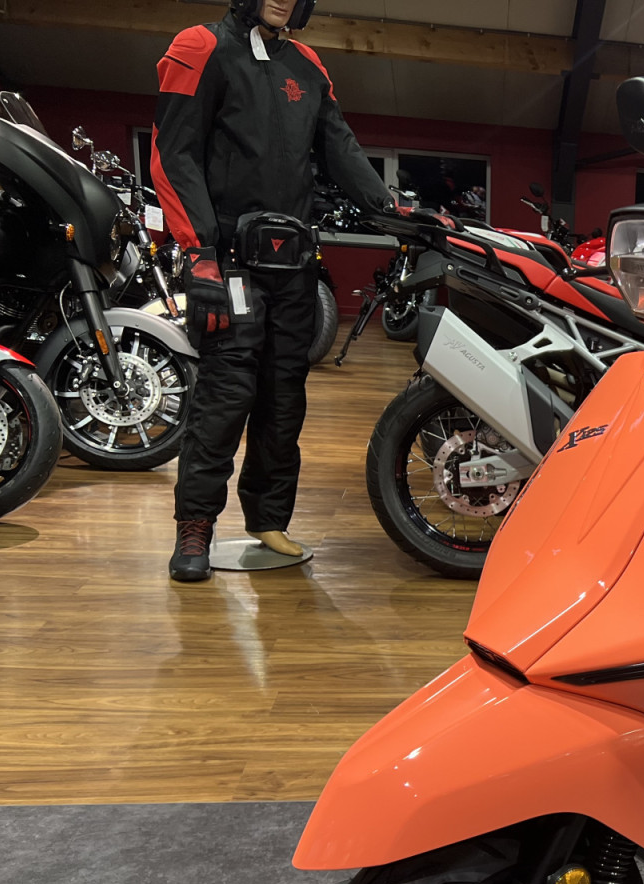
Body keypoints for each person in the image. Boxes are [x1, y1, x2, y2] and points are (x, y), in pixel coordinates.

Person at [151, 0, 394, 582]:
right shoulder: (200, 47)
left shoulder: (308, 65)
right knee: (224, 398)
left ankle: (269, 520)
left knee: (284, 401)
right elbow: (173, 154)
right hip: (229, 262)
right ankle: (195, 527)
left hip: (294, 266)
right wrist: (199, 252)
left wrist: (392, 209)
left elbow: (340, 148)